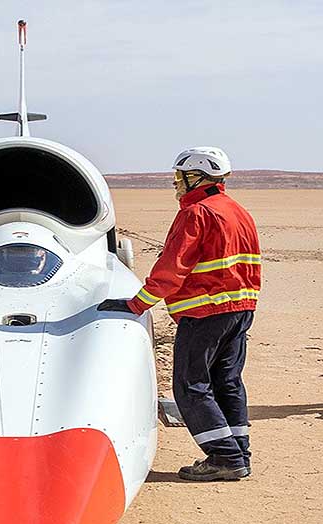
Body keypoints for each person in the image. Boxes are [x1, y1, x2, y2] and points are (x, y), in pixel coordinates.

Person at [98, 147, 261, 481]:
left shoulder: (196, 213)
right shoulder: (237, 211)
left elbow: (172, 268)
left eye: (179, 178)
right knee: (226, 382)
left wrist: (136, 304)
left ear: (196, 177)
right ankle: (238, 452)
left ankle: (225, 457)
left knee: (191, 386)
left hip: (205, 311)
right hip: (241, 309)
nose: (176, 185)